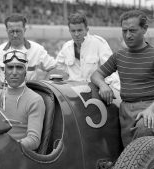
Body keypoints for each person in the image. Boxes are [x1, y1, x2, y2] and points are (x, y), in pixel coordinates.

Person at [91, 10, 154, 147]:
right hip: (125, 111)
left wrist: (151, 109)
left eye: (132, 30)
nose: (127, 35)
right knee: (128, 155)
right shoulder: (119, 56)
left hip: (149, 108)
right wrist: (103, 85)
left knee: (144, 134)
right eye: (124, 31)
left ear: (144, 29)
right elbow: (96, 75)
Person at [0, 13, 56, 89]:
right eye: (11, 32)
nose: (15, 35)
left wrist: (43, 87)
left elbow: (53, 68)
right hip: (5, 94)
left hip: (29, 94)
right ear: (6, 31)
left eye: (18, 31)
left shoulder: (37, 49)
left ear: (24, 30)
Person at [55, 12, 119, 90]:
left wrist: (113, 90)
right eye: (73, 31)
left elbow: (111, 71)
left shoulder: (99, 43)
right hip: (73, 91)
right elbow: (58, 66)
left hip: (95, 90)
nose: (76, 34)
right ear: (69, 31)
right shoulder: (66, 47)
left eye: (79, 30)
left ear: (87, 29)